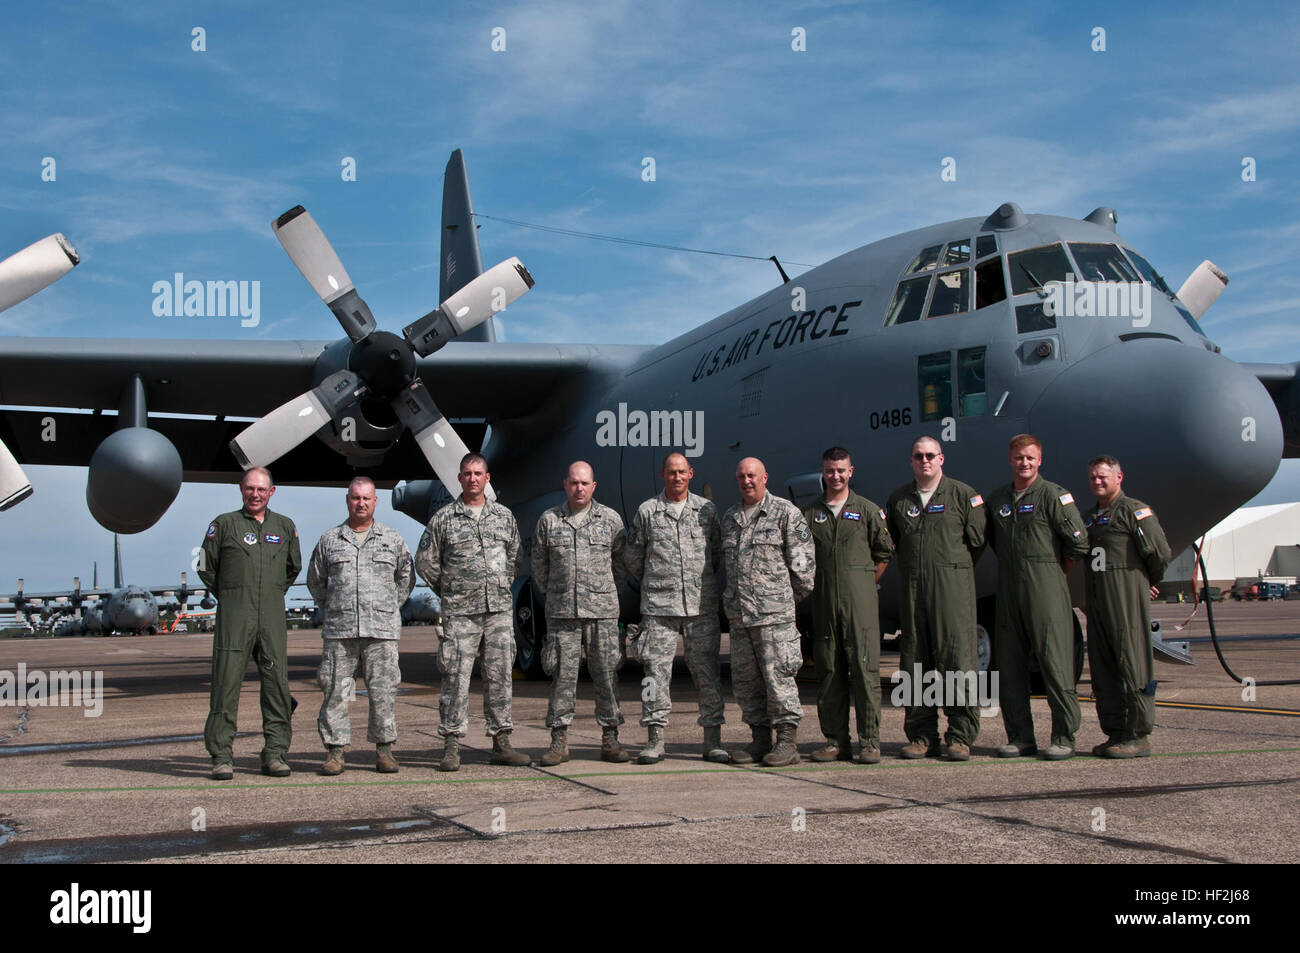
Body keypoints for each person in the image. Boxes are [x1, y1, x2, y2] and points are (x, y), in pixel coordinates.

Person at [415, 453, 531, 771]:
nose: (473, 479)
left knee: (499, 677)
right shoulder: (444, 519)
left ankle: (501, 742)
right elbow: (424, 562)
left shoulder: (504, 517)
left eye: (478, 473)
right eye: (467, 473)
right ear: (460, 479)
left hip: (497, 612)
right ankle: (452, 745)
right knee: (456, 678)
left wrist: (501, 584)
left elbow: (515, 555)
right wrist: (450, 589)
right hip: (460, 613)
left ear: (487, 478)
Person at [985, 435, 1088, 760]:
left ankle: (1063, 736)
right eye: (1018, 458)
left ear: (1039, 460)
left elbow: (1078, 544)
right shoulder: (998, 500)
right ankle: (1020, 737)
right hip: (1009, 590)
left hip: (1046, 590)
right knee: (1010, 667)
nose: (1024, 463)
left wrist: (1052, 574)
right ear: (1010, 459)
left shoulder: (1053, 496)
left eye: (1030, 458)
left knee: (1054, 664)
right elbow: (995, 542)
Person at [886, 436, 986, 761]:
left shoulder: (963, 495)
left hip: (952, 591)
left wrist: (949, 570)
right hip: (914, 593)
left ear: (941, 459)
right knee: (916, 663)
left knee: (957, 662)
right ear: (911, 461)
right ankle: (921, 735)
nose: (924, 460)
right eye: (918, 456)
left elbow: (977, 542)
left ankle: (960, 736)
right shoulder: (900, 500)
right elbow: (896, 542)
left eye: (930, 455)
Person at [198, 467, 302, 780]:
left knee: (276, 686)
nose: (255, 495)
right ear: (241, 490)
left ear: (272, 492)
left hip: (270, 616)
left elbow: (292, 567)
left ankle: (275, 753)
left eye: (261, 489)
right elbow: (205, 566)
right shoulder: (223, 524)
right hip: (234, 615)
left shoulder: (284, 526)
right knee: (225, 685)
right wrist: (231, 593)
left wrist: (269, 593)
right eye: (249, 489)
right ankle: (221, 755)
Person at [307, 476, 414, 776]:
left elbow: (406, 577)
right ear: (347, 500)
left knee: (382, 692)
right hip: (341, 634)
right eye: (356, 498)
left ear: (375, 501)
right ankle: (335, 752)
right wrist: (334, 608)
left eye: (367, 498)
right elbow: (316, 582)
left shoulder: (391, 540)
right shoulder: (330, 540)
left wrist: (389, 606)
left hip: (381, 632)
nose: (361, 503)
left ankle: (384, 751)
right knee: (337, 692)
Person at [625, 451, 728, 764]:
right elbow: (634, 558)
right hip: (659, 609)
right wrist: (660, 583)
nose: (677, 477)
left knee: (707, 674)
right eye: (671, 472)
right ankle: (655, 739)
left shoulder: (707, 511)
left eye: (682, 471)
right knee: (653, 677)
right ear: (663, 475)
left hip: (700, 607)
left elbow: (717, 554)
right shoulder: (647, 512)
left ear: (691, 474)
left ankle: (713, 740)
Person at [532, 461, 628, 765]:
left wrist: (602, 593)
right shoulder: (549, 521)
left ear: (593, 486)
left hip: (601, 613)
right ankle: (559, 741)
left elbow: (621, 565)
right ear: (565, 484)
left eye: (585, 483)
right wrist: (557, 593)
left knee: (607, 675)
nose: (579, 488)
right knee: (562, 677)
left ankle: (610, 739)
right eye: (574, 482)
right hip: (562, 614)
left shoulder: (611, 521)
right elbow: (539, 566)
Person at [722, 456, 815, 766]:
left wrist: (780, 601)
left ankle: (787, 742)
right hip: (741, 619)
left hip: (774, 619)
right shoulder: (730, 518)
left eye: (752, 476)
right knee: (747, 684)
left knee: (779, 681)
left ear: (765, 478)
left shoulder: (786, 514)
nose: (747, 481)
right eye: (741, 476)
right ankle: (759, 740)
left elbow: (804, 569)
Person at [801, 447, 892, 765]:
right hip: (825, 605)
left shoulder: (868, 511)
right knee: (829, 673)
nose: (835, 476)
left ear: (850, 472)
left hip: (860, 607)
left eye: (841, 470)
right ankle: (835, 741)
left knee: (866, 672)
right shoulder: (809, 514)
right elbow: (799, 556)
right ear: (822, 472)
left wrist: (862, 581)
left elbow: (883, 553)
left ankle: (870, 742)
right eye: (830, 470)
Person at [1082, 455, 1171, 759]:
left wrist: (1143, 579)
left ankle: (1139, 734)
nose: (1097, 482)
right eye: (1093, 477)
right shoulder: (1090, 517)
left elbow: (1159, 552)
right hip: (1097, 599)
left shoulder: (1134, 511)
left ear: (1119, 477)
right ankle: (1116, 732)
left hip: (1125, 597)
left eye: (1103, 477)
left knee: (1132, 662)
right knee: (1104, 667)